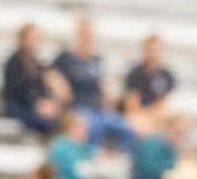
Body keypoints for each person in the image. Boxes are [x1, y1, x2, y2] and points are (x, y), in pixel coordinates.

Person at [48, 15, 133, 151]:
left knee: (126, 128)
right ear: (78, 35)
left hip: (98, 109)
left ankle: (120, 158)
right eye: (84, 34)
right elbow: (50, 75)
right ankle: (91, 158)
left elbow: (106, 87)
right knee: (93, 125)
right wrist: (60, 88)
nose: (87, 38)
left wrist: (109, 99)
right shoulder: (65, 58)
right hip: (77, 107)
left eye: (90, 34)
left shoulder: (97, 60)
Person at [0, 23, 64, 136]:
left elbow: (42, 89)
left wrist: (48, 103)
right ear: (23, 40)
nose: (35, 43)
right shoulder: (14, 63)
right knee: (47, 123)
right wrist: (37, 105)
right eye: (32, 39)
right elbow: (18, 91)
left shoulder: (36, 63)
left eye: (37, 39)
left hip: (32, 107)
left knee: (62, 119)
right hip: (18, 107)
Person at [121, 33, 177, 129]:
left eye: (156, 51)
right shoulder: (134, 74)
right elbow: (132, 108)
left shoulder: (166, 75)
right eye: (150, 50)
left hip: (156, 117)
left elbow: (162, 104)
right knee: (136, 122)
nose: (153, 54)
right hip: (138, 117)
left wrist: (152, 117)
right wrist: (147, 117)